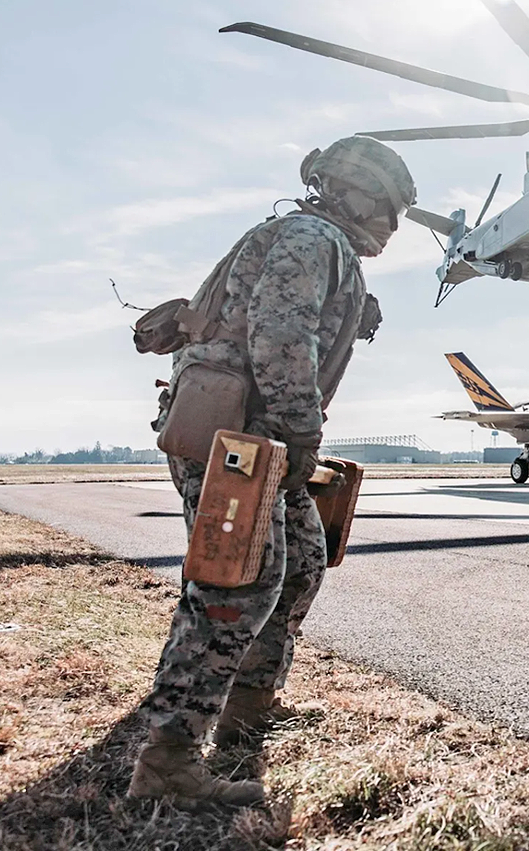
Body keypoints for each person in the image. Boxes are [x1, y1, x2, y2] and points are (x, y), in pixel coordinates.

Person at [129, 136, 416, 807]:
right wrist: (301, 432)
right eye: (389, 209)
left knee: (303, 563)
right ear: (357, 195)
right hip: (240, 434)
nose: (392, 227)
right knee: (240, 579)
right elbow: (279, 336)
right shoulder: (311, 236)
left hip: (259, 435)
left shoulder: (317, 244)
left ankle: (246, 709)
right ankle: (170, 754)